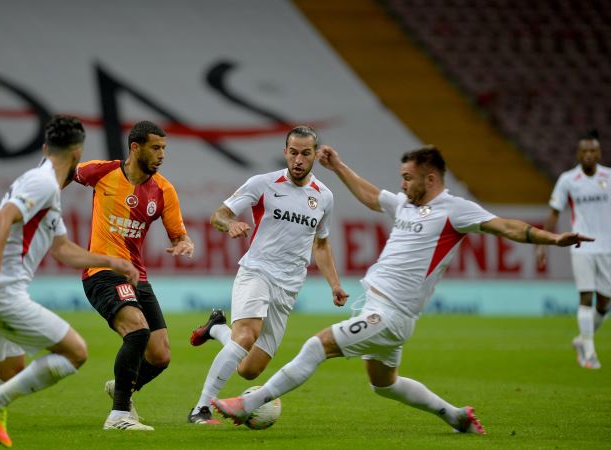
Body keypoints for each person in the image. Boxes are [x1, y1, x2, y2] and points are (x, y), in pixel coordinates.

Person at [213, 145, 593, 434]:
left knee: (316, 346)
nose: (402, 183)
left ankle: (250, 404)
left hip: (391, 315)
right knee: (384, 385)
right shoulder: (407, 206)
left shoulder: (455, 211)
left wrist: (555, 239)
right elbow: (370, 195)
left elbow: (508, 227)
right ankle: (455, 415)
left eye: (408, 177)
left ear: (430, 179)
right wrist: (339, 167)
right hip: (377, 310)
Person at [0, 115, 139, 450]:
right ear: (78, 154)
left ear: (46, 147)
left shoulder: (45, 189)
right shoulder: (42, 184)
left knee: (10, 368)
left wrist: (111, 261)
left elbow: (62, 250)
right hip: (0, 289)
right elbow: (2, 218)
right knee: (75, 353)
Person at [187, 126, 349, 425]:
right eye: (293, 152)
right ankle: (201, 408)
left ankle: (216, 329)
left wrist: (335, 284)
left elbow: (322, 243)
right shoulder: (262, 183)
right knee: (247, 333)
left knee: (249, 369)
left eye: (306, 153)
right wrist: (230, 225)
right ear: (285, 151)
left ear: (315, 155)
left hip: (289, 286)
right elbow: (218, 215)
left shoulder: (324, 197)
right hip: (257, 271)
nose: (298, 159)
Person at [74, 120, 194, 431]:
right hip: (102, 273)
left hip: (137, 277)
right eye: (156, 148)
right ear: (135, 148)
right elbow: (62, 172)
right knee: (137, 333)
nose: (162, 155)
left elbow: (178, 235)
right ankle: (118, 416)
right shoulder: (101, 172)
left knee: (160, 355)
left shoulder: (164, 191)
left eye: (164, 149)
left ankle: (123, 387)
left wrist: (185, 243)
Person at [536, 130, 610, 369]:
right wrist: (543, 243)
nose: (588, 154)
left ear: (599, 152)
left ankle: (580, 341)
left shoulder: (609, 177)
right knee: (586, 297)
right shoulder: (568, 180)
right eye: (584, 151)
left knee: (605, 303)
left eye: (592, 150)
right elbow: (554, 213)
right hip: (582, 246)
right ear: (578, 153)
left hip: (607, 248)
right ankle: (589, 352)